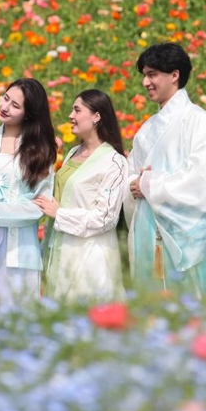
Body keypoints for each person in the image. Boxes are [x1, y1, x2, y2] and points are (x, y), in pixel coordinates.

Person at [125, 42, 206, 299]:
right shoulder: (147, 129)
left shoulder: (197, 121)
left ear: (175, 75)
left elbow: (201, 180)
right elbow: (132, 173)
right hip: (146, 226)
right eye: (144, 75)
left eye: (152, 74)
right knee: (149, 301)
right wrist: (134, 183)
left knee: (185, 301)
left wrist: (149, 184)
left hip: (179, 230)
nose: (146, 82)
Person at [0, 78, 58, 306]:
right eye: (5, 98)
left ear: (28, 114)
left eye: (15, 106)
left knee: (17, 311)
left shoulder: (41, 150)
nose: (5, 107)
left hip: (20, 245)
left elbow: (41, 203)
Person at [33, 89, 128, 302]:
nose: (70, 115)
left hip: (90, 256)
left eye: (77, 110)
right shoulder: (72, 153)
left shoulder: (114, 163)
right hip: (60, 249)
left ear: (97, 116)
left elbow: (106, 218)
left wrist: (60, 214)